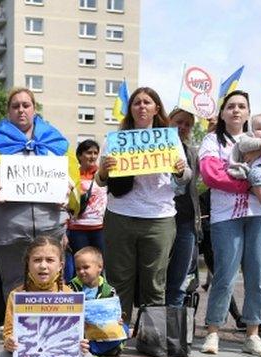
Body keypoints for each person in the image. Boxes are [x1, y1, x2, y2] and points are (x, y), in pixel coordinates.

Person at [0, 88, 80, 299]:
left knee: (52, 281)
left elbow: (73, 176)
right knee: (14, 286)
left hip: (50, 225)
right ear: (8, 111)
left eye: (26, 105)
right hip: (8, 228)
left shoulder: (55, 139)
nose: (21, 110)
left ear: (34, 109)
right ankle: (18, 331)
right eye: (15, 106)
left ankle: (50, 330)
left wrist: (67, 189)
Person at [199, 91, 261, 356]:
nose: (236, 110)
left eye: (242, 106)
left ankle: (253, 334)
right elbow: (212, 175)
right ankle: (213, 332)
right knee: (225, 275)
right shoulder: (213, 140)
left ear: (248, 113)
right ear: (222, 113)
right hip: (226, 216)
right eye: (231, 106)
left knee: (258, 275)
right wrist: (252, 184)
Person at [98, 87, 191, 321]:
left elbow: (187, 176)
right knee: (119, 279)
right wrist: (103, 170)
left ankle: (153, 336)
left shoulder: (169, 140)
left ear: (156, 109)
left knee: (155, 281)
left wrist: (180, 171)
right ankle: (117, 332)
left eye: (147, 102)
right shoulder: (117, 140)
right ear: (130, 109)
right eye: (136, 103)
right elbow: (100, 180)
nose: (141, 106)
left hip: (159, 217)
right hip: (120, 214)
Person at [0, 236, 97, 357]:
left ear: (60, 266)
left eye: (50, 260)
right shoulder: (17, 295)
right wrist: (9, 342)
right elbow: (9, 332)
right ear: (28, 264)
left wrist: (80, 344)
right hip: (28, 355)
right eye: (37, 260)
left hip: (60, 355)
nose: (43, 266)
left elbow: (76, 333)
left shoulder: (69, 296)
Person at [164, 108, 202, 308]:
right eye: (179, 122)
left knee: (180, 279)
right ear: (168, 120)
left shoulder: (192, 153)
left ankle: (173, 330)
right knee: (156, 278)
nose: (183, 127)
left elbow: (198, 183)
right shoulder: (156, 147)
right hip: (159, 220)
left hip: (186, 221)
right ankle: (152, 327)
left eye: (188, 124)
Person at [68, 246, 125, 357]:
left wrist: (118, 319)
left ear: (99, 267)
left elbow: (115, 312)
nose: (81, 272)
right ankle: (95, 349)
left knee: (125, 328)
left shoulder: (109, 290)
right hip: (81, 331)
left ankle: (104, 348)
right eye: (78, 268)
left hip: (101, 331)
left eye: (86, 267)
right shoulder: (71, 288)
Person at [67, 140, 106, 261]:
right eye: (89, 153)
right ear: (79, 155)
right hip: (77, 230)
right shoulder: (72, 175)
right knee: (81, 264)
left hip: (99, 229)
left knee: (99, 265)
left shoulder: (103, 175)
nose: (93, 156)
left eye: (95, 153)